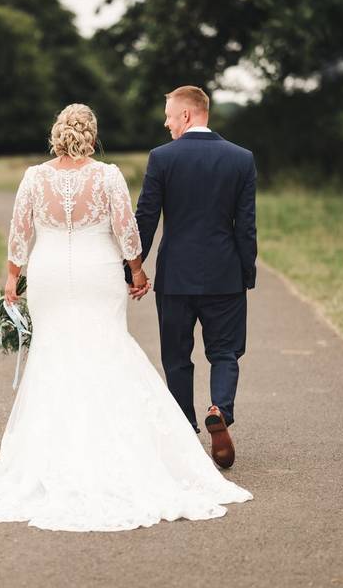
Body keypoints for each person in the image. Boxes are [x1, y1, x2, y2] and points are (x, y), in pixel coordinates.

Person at [0, 103, 252, 532]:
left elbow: (20, 232)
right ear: (91, 135)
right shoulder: (107, 175)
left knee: (54, 354)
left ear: (57, 133)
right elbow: (126, 229)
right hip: (97, 271)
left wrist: (13, 279)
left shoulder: (34, 178)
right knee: (106, 349)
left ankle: (53, 456)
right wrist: (136, 270)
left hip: (51, 272)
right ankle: (119, 450)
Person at [128, 85, 257, 469]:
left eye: (169, 115)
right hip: (224, 275)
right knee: (224, 352)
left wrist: (133, 268)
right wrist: (245, 273)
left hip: (176, 278)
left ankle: (185, 429)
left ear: (186, 115)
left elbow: (145, 218)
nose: (166, 123)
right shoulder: (241, 159)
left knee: (177, 356)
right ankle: (220, 408)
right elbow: (246, 226)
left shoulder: (162, 158)